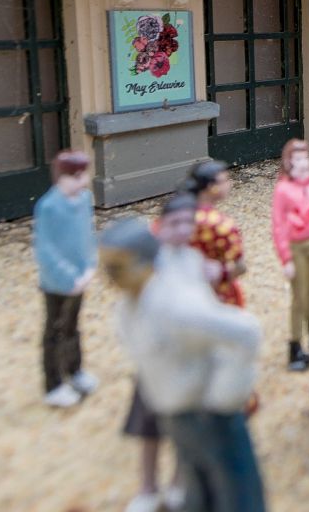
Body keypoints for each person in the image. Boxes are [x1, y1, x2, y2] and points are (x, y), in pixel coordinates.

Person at [100, 216, 265, 512]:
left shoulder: (176, 305)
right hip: (174, 415)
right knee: (196, 486)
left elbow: (245, 333)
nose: (110, 277)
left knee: (235, 492)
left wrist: (225, 396)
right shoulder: (128, 307)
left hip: (210, 413)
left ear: (144, 262)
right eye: (106, 268)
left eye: (117, 267)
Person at [122, 193, 200, 512]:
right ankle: (147, 487)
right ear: (161, 225)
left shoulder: (194, 261)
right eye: (175, 223)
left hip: (186, 360)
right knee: (150, 429)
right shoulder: (152, 263)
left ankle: (178, 484)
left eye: (188, 223)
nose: (183, 229)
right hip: (156, 363)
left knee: (185, 431)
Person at [32, 149, 99, 408]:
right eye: (77, 176)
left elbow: (86, 235)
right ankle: (54, 384)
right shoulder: (48, 207)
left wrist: (90, 265)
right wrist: (69, 276)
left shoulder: (83, 200)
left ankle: (75, 370)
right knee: (55, 331)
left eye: (84, 175)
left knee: (73, 326)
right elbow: (45, 249)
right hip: (57, 282)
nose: (82, 181)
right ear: (62, 177)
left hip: (80, 276)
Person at [272, 139, 309, 372]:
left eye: (305, 157)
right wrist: (286, 257)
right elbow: (278, 225)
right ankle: (295, 344)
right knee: (299, 296)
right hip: (296, 246)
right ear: (288, 162)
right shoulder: (283, 190)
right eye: (297, 158)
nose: (302, 162)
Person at [184, 161, 247, 308]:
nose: (230, 184)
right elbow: (240, 266)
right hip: (217, 295)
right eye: (225, 180)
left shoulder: (178, 215)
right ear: (212, 188)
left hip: (185, 291)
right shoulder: (221, 225)